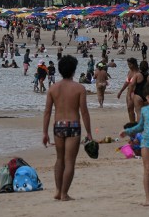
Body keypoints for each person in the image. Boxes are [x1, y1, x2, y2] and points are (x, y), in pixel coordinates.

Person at [41, 55, 92, 202]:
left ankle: (58, 191)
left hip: (58, 126)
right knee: (69, 161)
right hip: (73, 125)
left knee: (59, 159)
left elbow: (47, 112)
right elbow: (84, 112)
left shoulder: (53, 88)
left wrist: (44, 132)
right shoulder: (79, 88)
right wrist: (89, 132)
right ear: (74, 70)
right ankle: (64, 193)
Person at [116, 58, 141, 124]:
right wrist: (121, 91)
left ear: (134, 64)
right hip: (129, 92)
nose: (128, 66)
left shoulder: (139, 72)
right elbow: (127, 82)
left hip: (137, 93)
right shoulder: (129, 72)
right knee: (129, 108)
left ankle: (139, 124)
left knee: (138, 110)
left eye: (130, 64)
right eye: (128, 64)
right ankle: (132, 123)